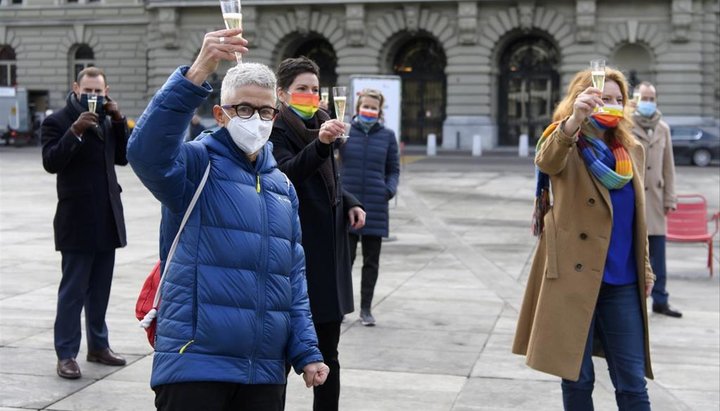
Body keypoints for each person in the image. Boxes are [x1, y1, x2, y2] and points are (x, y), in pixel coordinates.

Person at [126, 29, 329, 411]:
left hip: (265, 372)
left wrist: (307, 351)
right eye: (244, 109)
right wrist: (200, 70)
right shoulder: (195, 165)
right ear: (221, 114)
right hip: (196, 365)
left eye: (266, 111)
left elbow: (293, 282)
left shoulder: (282, 187)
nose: (256, 119)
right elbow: (146, 153)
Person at [512, 66, 656, 410]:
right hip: (573, 278)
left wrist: (646, 268)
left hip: (621, 279)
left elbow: (638, 218)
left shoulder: (630, 150)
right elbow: (547, 162)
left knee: (633, 383)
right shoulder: (564, 141)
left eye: (618, 99)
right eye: (604, 98)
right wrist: (575, 119)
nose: (612, 105)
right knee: (578, 378)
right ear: (582, 97)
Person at [269, 56, 366, 411]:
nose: (310, 95)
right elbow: (286, 175)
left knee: (329, 354)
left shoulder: (325, 122)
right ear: (282, 93)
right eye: (301, 89)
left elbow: (328, 180)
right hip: (296, 256)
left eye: (314, 89)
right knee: (278, 358)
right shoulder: (275, 128)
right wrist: (321, 145)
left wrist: (350, 200)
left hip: (328, 259)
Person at [41, 67, 129, 379]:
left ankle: (98, 346)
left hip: (106, 216)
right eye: (88, 91)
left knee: (100, 290)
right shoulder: (58, 121)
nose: (94, 96)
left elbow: (122, 158)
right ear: (76, 88)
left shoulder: (105, 119)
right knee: (73, 291)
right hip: (76, 219)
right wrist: (75, 131)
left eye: (99, 92)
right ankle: (66, 353)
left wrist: (119, 122)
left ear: (106, 91)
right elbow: (51, 161)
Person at [340, 88, 400, 326]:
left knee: (371, 262)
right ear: (357, 108)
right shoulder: (345, 132)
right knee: (345, 260)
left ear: (379, 110)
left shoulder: (387, 135)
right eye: (365, 106)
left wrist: (388, 190)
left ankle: (366, 309)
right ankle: (342, 307)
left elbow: (393, 169)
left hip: (375, 205)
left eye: (374, 108)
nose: (369, 111)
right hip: (348, 203)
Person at [630, 81, 681, 318]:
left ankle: (660, 300)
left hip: (657, 202)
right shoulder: (625, 124)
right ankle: (633, 299)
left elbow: (668, 166)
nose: (648, 102)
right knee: (633, 252)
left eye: (651, 98)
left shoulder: (663, 128)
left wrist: (670, 198)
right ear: (635, 99)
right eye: (644, 98)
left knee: (658, 255)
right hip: (633, 200)